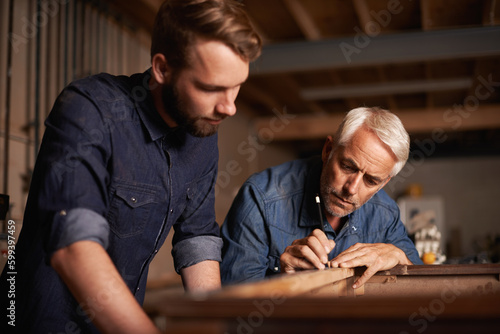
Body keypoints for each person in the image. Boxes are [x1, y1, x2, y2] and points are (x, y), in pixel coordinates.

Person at [0, 1, 261, 333]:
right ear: (162, 69)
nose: (230, 107)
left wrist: (214, 325)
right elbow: (73, 245)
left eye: (237, 86)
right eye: (211, 88)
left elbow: (196, 238)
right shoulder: (90, 109)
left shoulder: (203, 133)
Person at [221, 107, 423, 288]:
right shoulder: (260, 197)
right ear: (328, 150)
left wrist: (401, 257)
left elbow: (422, 286)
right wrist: (284, 281)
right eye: (347, 167)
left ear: (384, 183)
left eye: (371, 181)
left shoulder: (386, 213)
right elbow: (233, 308)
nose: (352, 189)